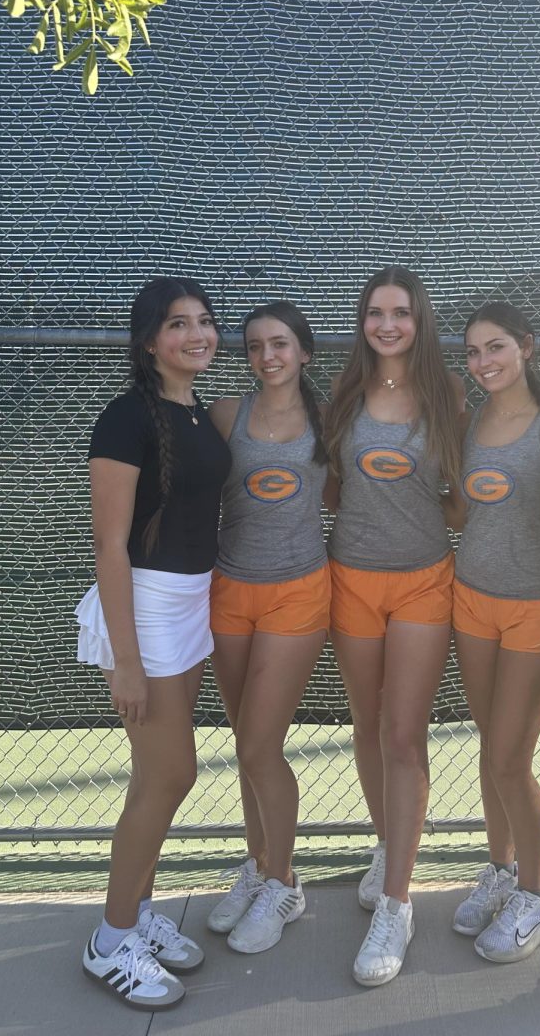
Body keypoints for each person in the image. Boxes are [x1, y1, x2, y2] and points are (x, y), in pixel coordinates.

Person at [76, 277, 231, 1011]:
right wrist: (127, 662)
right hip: (144, 608)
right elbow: (110, 546)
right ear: (149, 341)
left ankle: (135, 915)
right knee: (170, 775)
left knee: (158, 777)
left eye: (204, 322)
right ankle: (110, 942)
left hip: (192, 603)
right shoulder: (124, 418)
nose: (196, 334)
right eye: (178, 324)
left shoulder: (197, 412)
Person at [323, 265, 463, 987]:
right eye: (375, 311)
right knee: (368, 725)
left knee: (405, 736)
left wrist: (417, 523)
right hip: (351, 579)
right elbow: (330, 486)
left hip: (422, 584)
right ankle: (390, 845)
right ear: (362, 319)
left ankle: (398, 904)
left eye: (400, 313)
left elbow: (463, 498)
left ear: (420, 320)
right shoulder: (344, 397)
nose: (387, 324)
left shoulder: (446, 398)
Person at [449, 302, 540, 962]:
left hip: (536, 608)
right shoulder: (470, 418)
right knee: (488, 746)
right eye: (473, 353)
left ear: (526, 347)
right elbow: (462, 504)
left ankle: (539, 895)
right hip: (470, 601)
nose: (483, 363)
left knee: (509, 756)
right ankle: (501, 874)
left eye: (495, 348)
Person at [206, 302, 329, 954]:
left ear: (304, 352)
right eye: (254, 346)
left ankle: (284, 882)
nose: (267, 356)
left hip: (299, 593)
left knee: (260, 746)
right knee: (243, 741)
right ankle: (257, 867)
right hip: (229, 590)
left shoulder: (331, 419)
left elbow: (339, 493)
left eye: (279, 344)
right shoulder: (228, 414)